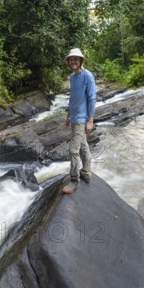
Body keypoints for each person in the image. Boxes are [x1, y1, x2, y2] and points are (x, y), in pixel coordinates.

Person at [62, 48, 96, 194]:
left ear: (81, 61)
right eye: (71, 59)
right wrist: (68, 116)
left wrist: (91, 120)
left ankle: (74, 179)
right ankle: (87, 173)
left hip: (82, 118)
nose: (73, 61)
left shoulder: (87, 76)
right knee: (83, 146)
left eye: (76, 59)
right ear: (69, 62)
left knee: (73, 150)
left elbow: (92, 97)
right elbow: (72, 98)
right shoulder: (72, 77)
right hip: (74, 117)